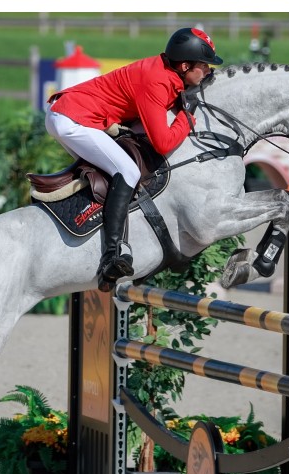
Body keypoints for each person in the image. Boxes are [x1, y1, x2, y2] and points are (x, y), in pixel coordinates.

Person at [45, 27, 223, 292]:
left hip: (76, 116)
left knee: (119, 167)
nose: (208, 70)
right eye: (204, 65)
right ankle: (111, 255)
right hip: (72, 120)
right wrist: (186, 119)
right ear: (185, 66)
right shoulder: (156, 80)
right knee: (127, 172)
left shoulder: (167, 74)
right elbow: (163, 142)